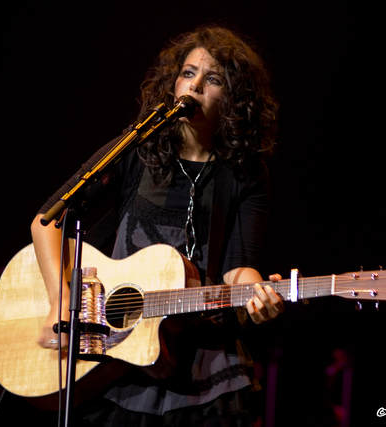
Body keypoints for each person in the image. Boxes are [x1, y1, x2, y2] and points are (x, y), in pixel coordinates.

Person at [31, 25, 283, 426]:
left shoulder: (244, 173)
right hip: (118, 351)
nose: (195, 85)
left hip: (199, 355)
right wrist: (61, 303)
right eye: (188, 73)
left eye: (213, 79)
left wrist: (258, 295)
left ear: (234, 99)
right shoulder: (138, 149)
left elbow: (239, 264)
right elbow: (46, 222)